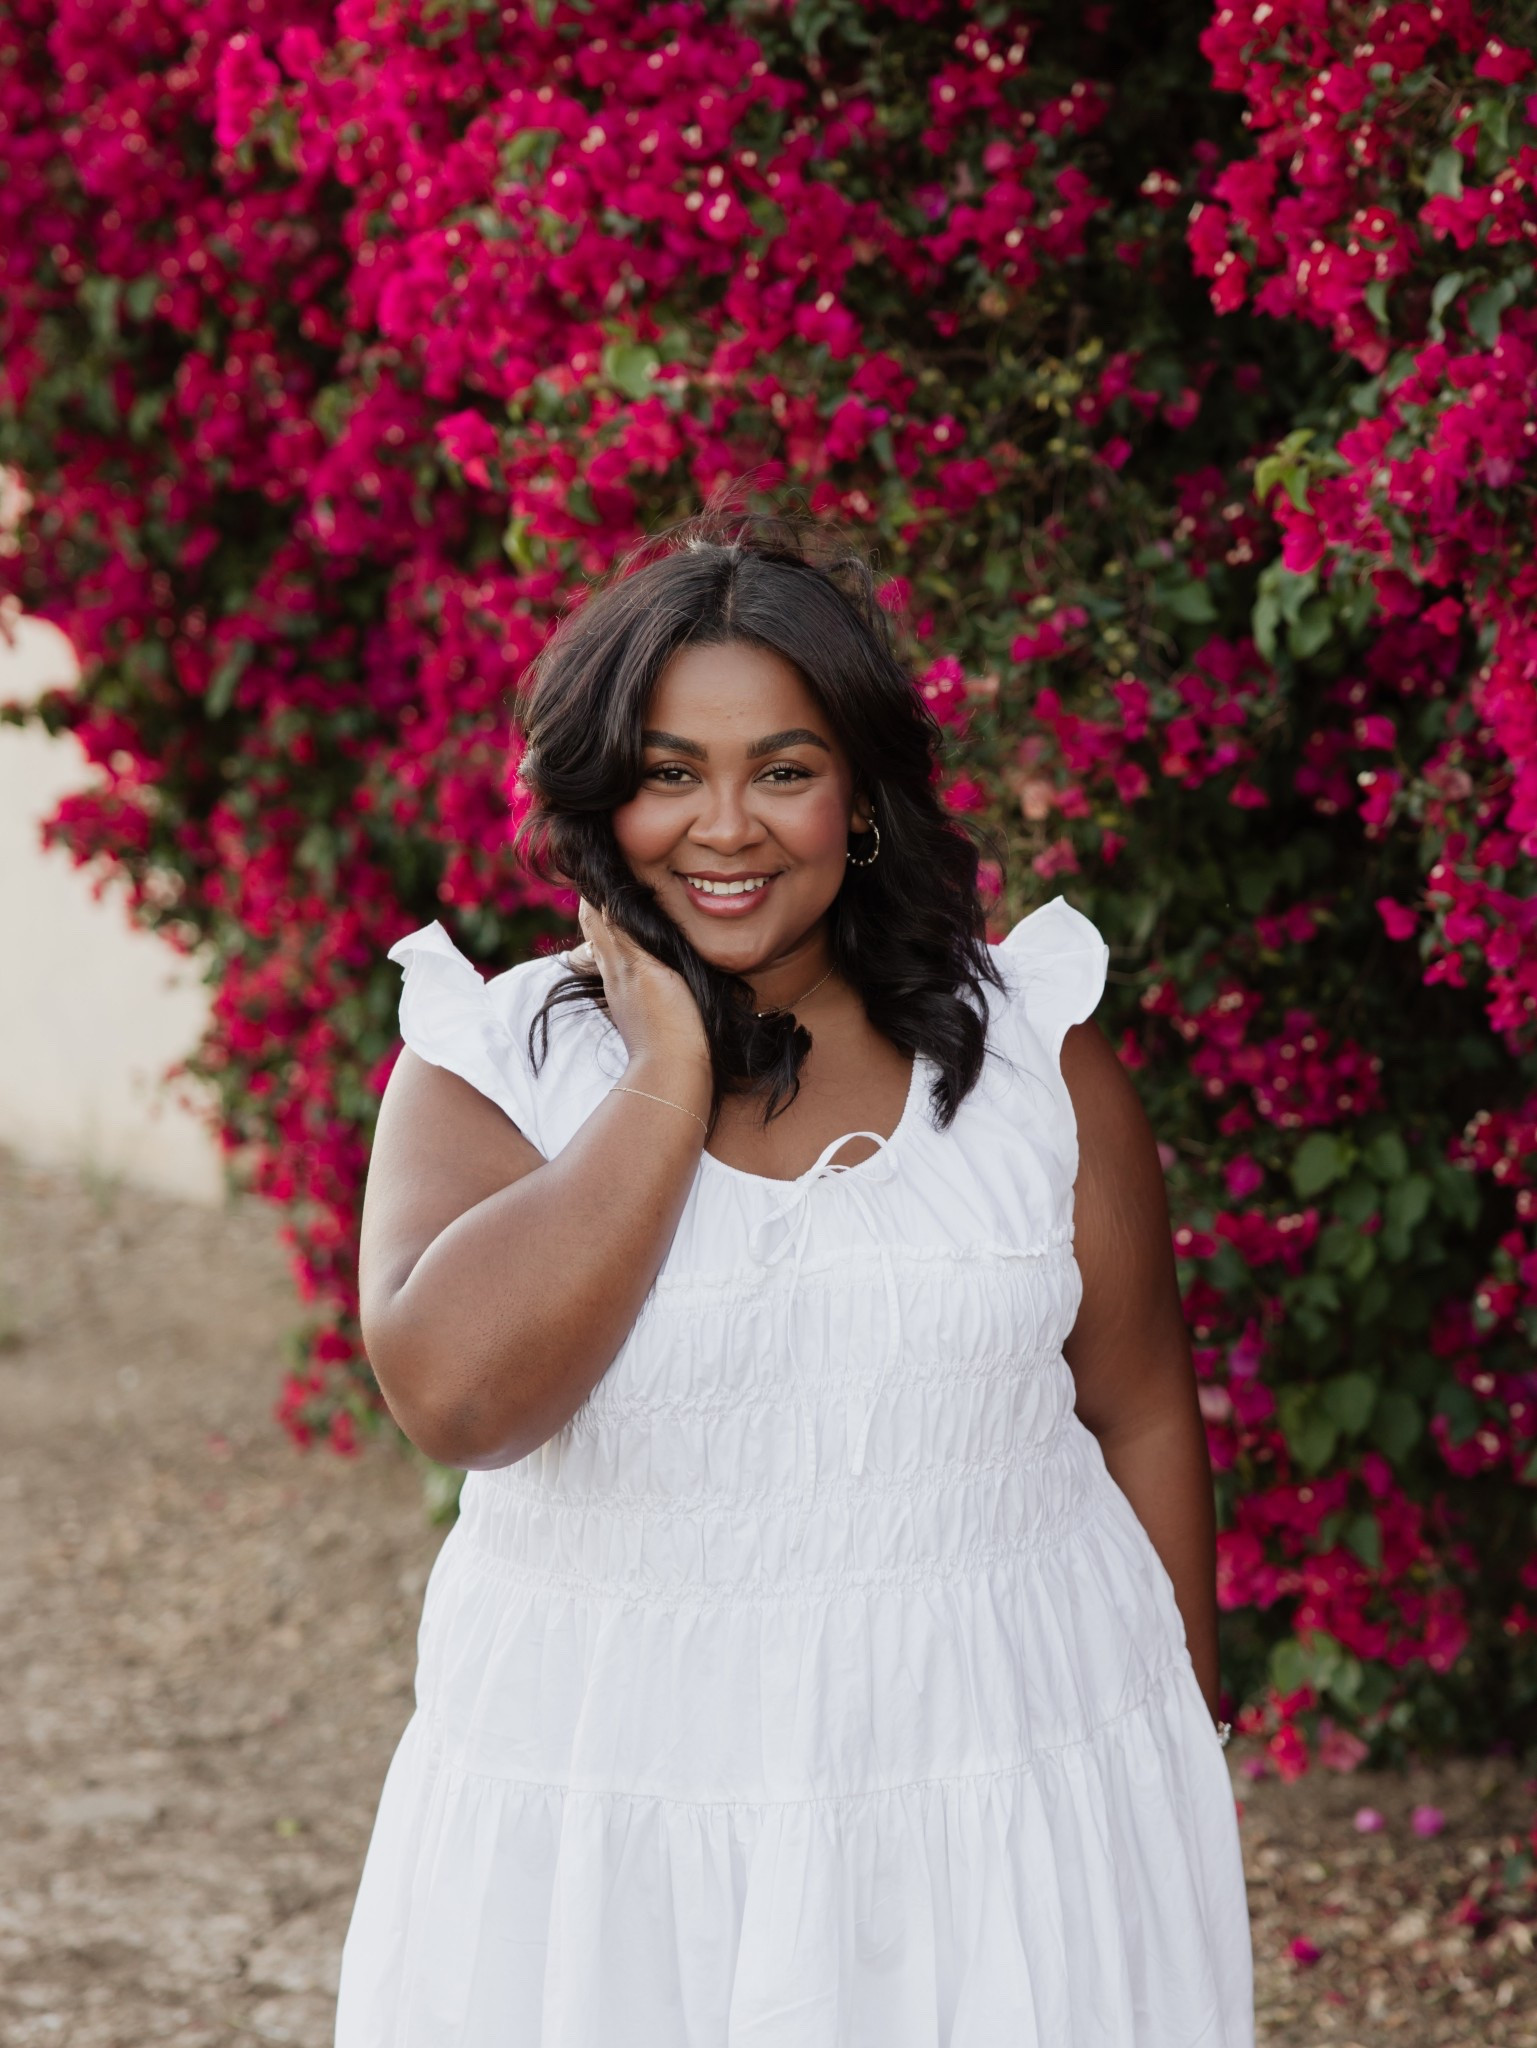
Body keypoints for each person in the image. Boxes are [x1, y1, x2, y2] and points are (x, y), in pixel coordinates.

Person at [333, 511, 1255, 2046]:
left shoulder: (1029, 1054)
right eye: (668, 773)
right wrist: (663, 1078)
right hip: (620, 1821)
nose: (725, 828)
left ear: (859, 797)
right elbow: (460, 1396)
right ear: (599, 797)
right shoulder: (495, 1067)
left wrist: (1171, 1746)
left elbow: (1142, 1405)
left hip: (1014, 1781)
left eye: (782, 768)